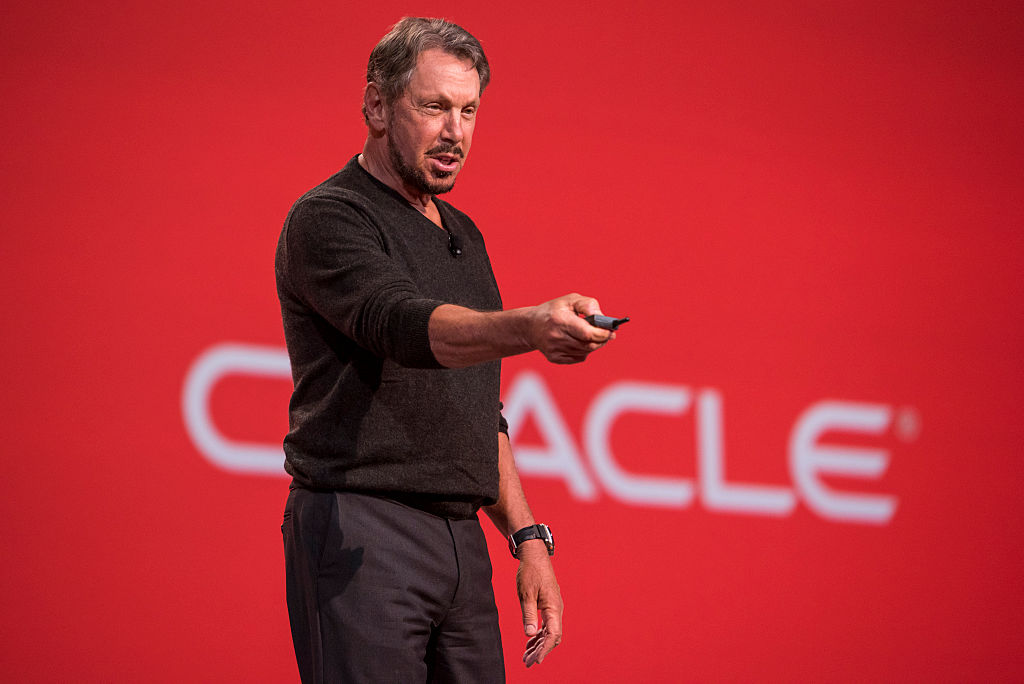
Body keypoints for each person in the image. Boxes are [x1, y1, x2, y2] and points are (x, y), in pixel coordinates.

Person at [275, 16, 614, 683]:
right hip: (363, 527)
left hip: (461, 542)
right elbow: (401, 325)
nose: (455, 131)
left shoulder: (465, 235)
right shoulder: (331, 216)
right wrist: (529, 327)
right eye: (433, 107)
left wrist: (527, 539)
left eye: (468, 111)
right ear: (377, 106)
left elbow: (477, 408)